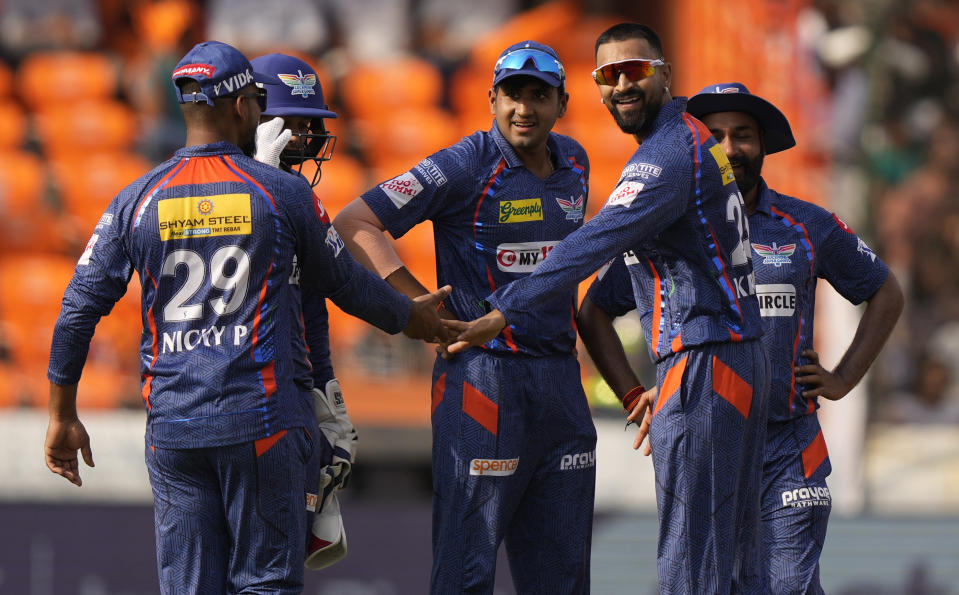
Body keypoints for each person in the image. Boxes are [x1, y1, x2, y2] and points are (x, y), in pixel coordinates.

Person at [44, 40, 449, 594]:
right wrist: (411, 318)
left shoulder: (134, 198)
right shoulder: (282, 192)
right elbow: (346, 284)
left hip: (174, 428)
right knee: (264, 587)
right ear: (242, 107)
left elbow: (75, 311)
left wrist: (61, 412)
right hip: (260, 421)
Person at [446, 24, 770, 594]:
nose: (621, 84)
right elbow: (600, 300)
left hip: (706, 363)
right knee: (731, 561)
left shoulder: (665, 156)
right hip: (734, 360)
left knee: (691, 566)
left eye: (635, 70)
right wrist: (629, 389)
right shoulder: (693, 139)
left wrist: (505, 309)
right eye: (608, 75)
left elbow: (590, 242)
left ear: (666, 74)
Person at [333, 41, 596, 594]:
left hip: (562, 386)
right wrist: (413, 306)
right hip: (483, 380)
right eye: (512, 95)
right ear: (491, 100)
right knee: (465, 572)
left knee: (564, 578)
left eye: (538, 96)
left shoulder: (576, 162)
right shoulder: (464, 163)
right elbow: (356, 221)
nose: (524, 108)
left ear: (562, 103)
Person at [682, 82, 904, 593]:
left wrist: (844, 377)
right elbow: (598, 309)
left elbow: (886, 293)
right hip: (706, 443)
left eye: (743, 135)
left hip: (789, 442)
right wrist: (639, 390)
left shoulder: (807, 224)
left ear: (763, 145)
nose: (730, 147)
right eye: (714, 136)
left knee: (789, 586)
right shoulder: (672, 225)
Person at [249, 52, 352, 570]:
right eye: (299, 121)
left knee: (274, 570)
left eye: (314, 124)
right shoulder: (199, 181)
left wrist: (328, 399)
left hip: (284, 406)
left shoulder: (302, 199)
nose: (310, 135)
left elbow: (314, 308)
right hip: (222, 404)